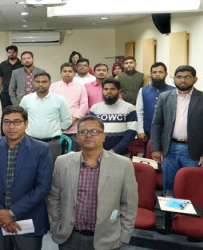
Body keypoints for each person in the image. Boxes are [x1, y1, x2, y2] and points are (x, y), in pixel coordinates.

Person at [47, 115, 138, 250]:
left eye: (94, 132)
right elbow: (54, 198)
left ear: (103, 136)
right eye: (83, 132)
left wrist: (123, 235)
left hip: (106, 239)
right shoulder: (62, 162)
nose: (88, 135)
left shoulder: (123, 165)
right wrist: (56, 225)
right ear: (77, 136)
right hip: (69, 236)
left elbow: (129, 205)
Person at [0, 106, 52, 250]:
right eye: (7, 122)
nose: (11, 126)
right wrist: (1, 214)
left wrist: (12, 213)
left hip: (28, 222)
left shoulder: (41, 149)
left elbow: (43, 187)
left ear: (26, 124)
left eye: (16, 122)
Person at [151, 65, 203, 195]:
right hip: (170, 149)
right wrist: (156, 148)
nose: (182, 80)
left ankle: (187, 215)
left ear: (195, 79)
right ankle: (170, 215)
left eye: (187, 77)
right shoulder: (165, 97)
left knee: (192, 186)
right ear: (174, 79)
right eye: (179, 77)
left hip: (194, 151)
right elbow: (157, 124)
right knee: (169, 186)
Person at [20, 72, 72, 163]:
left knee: (52, 170)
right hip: (30, 141)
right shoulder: (26, 99)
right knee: (30, 168)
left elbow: (67, 121)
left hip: (52, 143)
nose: (41, 84)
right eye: (38, 82)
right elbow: (20, 119)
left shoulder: (59, 99)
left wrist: (55, 129)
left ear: (50, 83)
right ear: (34, 83)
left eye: (44, 82)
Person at [89, 78, 139, 155]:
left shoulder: (129, 108)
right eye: (106, 89)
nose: (109, 91)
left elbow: (131, 132)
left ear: (119, 91)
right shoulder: (95, 108)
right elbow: (91, 130)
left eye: (112, 89)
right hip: (98, 152)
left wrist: (115, 150)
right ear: (102, 91)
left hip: (121, 153)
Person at [50, 63, 88, 151]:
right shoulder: (53, 87)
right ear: (60, 73)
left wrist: (72, 120)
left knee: (73, 154)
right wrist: (60, 120)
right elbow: (50, 104)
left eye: (70, 71)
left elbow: (84, 105)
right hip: (58, 126)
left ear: (75, 73)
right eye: (65, 71)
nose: (67, 73)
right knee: (57, 154)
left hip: (75, 126)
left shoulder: (80, 87)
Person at [136, 62, 174, 141]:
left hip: (169, 131)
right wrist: (140, 130)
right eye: (154, 72)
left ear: (166, 74)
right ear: (150, 74)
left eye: (160, 72)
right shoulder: (143, 90)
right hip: (148, 131)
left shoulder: (173, 91)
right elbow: (139, 111)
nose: (157, 74)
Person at [0, 45, 23, 110]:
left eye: (13, 52)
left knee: (19, 112)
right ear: (7, 53)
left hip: (18, 94)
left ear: (17, 53)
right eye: (9, 52)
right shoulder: (3, 64)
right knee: (6, 112)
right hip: (5, 93)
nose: (11, 54)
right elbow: (0, 79)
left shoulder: (22, 64)